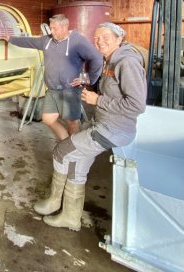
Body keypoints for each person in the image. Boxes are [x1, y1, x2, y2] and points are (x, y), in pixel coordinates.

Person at [33, 22, 147, 231]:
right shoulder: (111, 60)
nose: (99, 41)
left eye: (105, 37)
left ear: (119, 38)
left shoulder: (126, 62)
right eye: (96, 37)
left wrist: (98, 101)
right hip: (105, 124)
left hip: (114, 130)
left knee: (62, 151)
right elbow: (111, 88)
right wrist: (86, 81)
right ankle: (70, 217)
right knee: (77, 162)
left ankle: (54, 201)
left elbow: (137, 105)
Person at [6, 14, 103, 140]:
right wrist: (11, 39)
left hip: (70, 90)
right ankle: (66, 143)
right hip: (52, 90)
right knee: (47, 118)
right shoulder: (47, 40)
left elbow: (97, 58)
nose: (51, 31)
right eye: (51, 28)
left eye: (55, 28)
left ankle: (75, 151)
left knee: (72, 122)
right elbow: (29, 41)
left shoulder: (78, 41)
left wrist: (88, 79)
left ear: (65, 27)